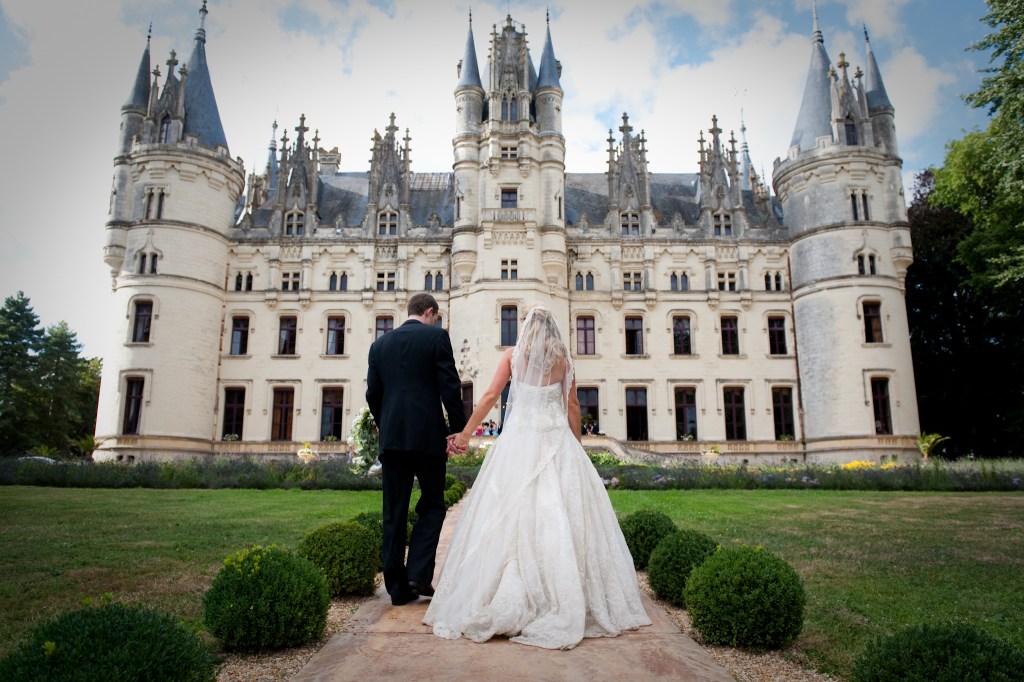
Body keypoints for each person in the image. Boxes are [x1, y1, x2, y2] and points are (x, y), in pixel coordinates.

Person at [423, 305, 651, 649]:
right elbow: (572, 406)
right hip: (556, 437)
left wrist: (466, 434)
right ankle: (562, 592)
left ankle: (504, 592)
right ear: (553, 331)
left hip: (518, 441)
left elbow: (487, 397)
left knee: (510, 515)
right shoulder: (564, 361)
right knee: (559, 513)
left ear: (526, 329)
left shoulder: (513, 357)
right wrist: (576, 448)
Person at [366, 293, 467, 606]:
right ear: (430, 312)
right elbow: (450, 387)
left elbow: (373, 394)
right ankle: (418, 573)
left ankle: (397, 588)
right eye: (435, 316)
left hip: (394, 437)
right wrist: (457, 431)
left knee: (393, 510)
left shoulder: (379, 345)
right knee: (434, 503)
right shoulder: (437, 337)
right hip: (427, 436)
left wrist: (384, 420)